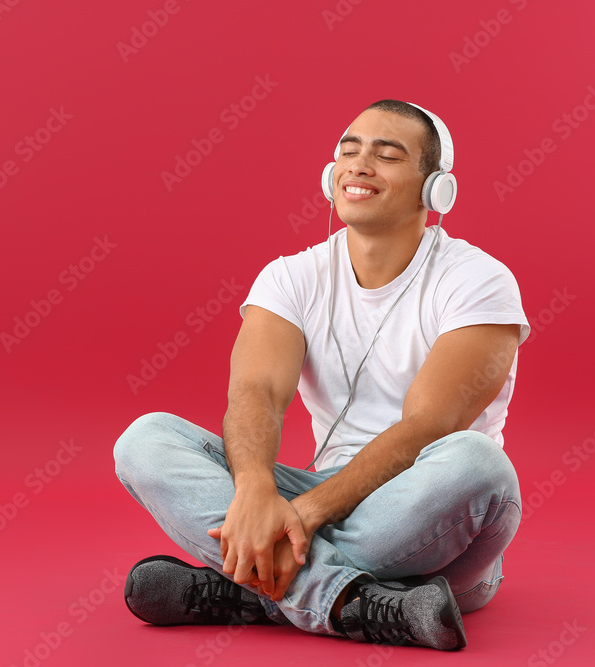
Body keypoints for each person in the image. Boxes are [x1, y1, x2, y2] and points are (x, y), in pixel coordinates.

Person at [114, 99, 530, 651]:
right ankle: (356, 602)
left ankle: (246, 589)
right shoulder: (289, 277)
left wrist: (303, 515)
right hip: (324, 496)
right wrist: (258, 493)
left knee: (479, 464)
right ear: (329, 175)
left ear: (437, 190)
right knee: (146, 439)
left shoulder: (479, 281)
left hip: (426, 512)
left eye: (387, 155)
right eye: (348, 150)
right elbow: (256, 393)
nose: (359, 165)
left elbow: (431, 423)